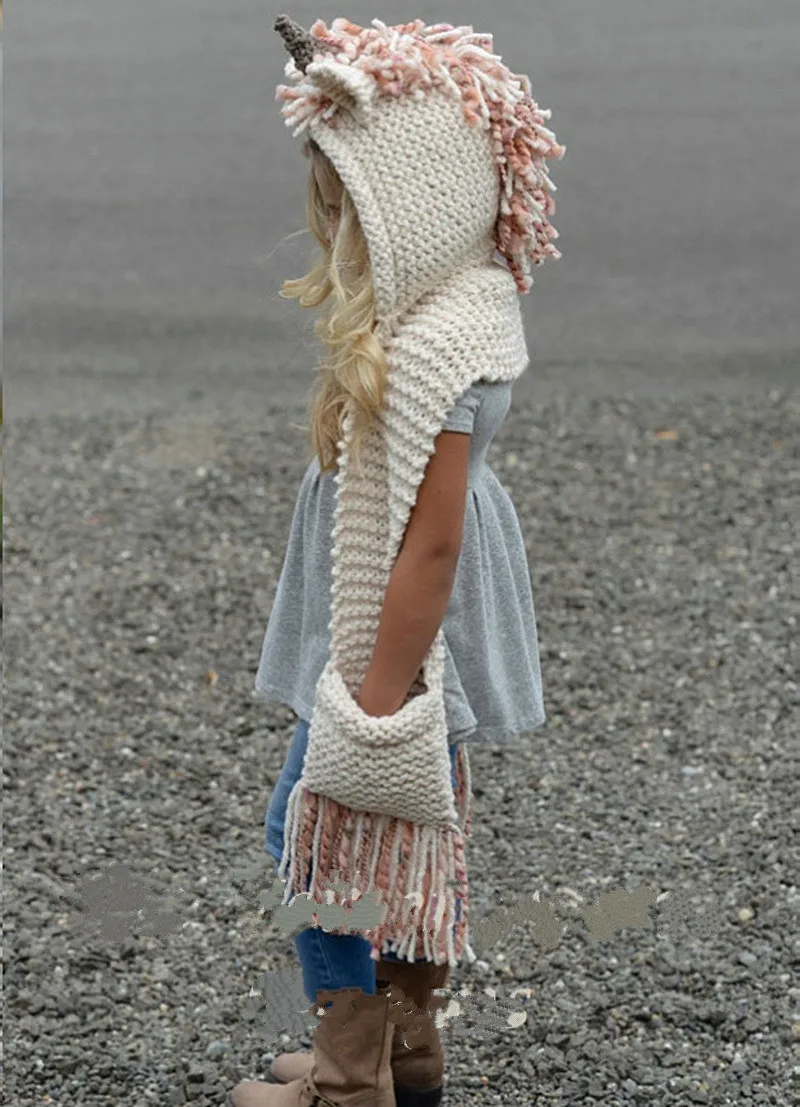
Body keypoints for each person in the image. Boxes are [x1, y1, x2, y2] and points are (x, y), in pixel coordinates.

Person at [229, 15, 563, 1107]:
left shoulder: (428, 354)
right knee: (416, 823)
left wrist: (374, 699)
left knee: (312, 824)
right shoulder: (467, 301)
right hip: (415, 613)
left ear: (411, 209)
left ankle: (345, 1075)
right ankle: (404, 1048)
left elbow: (429, 540)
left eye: (345, 207)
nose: (330, 225)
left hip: (402, 626)